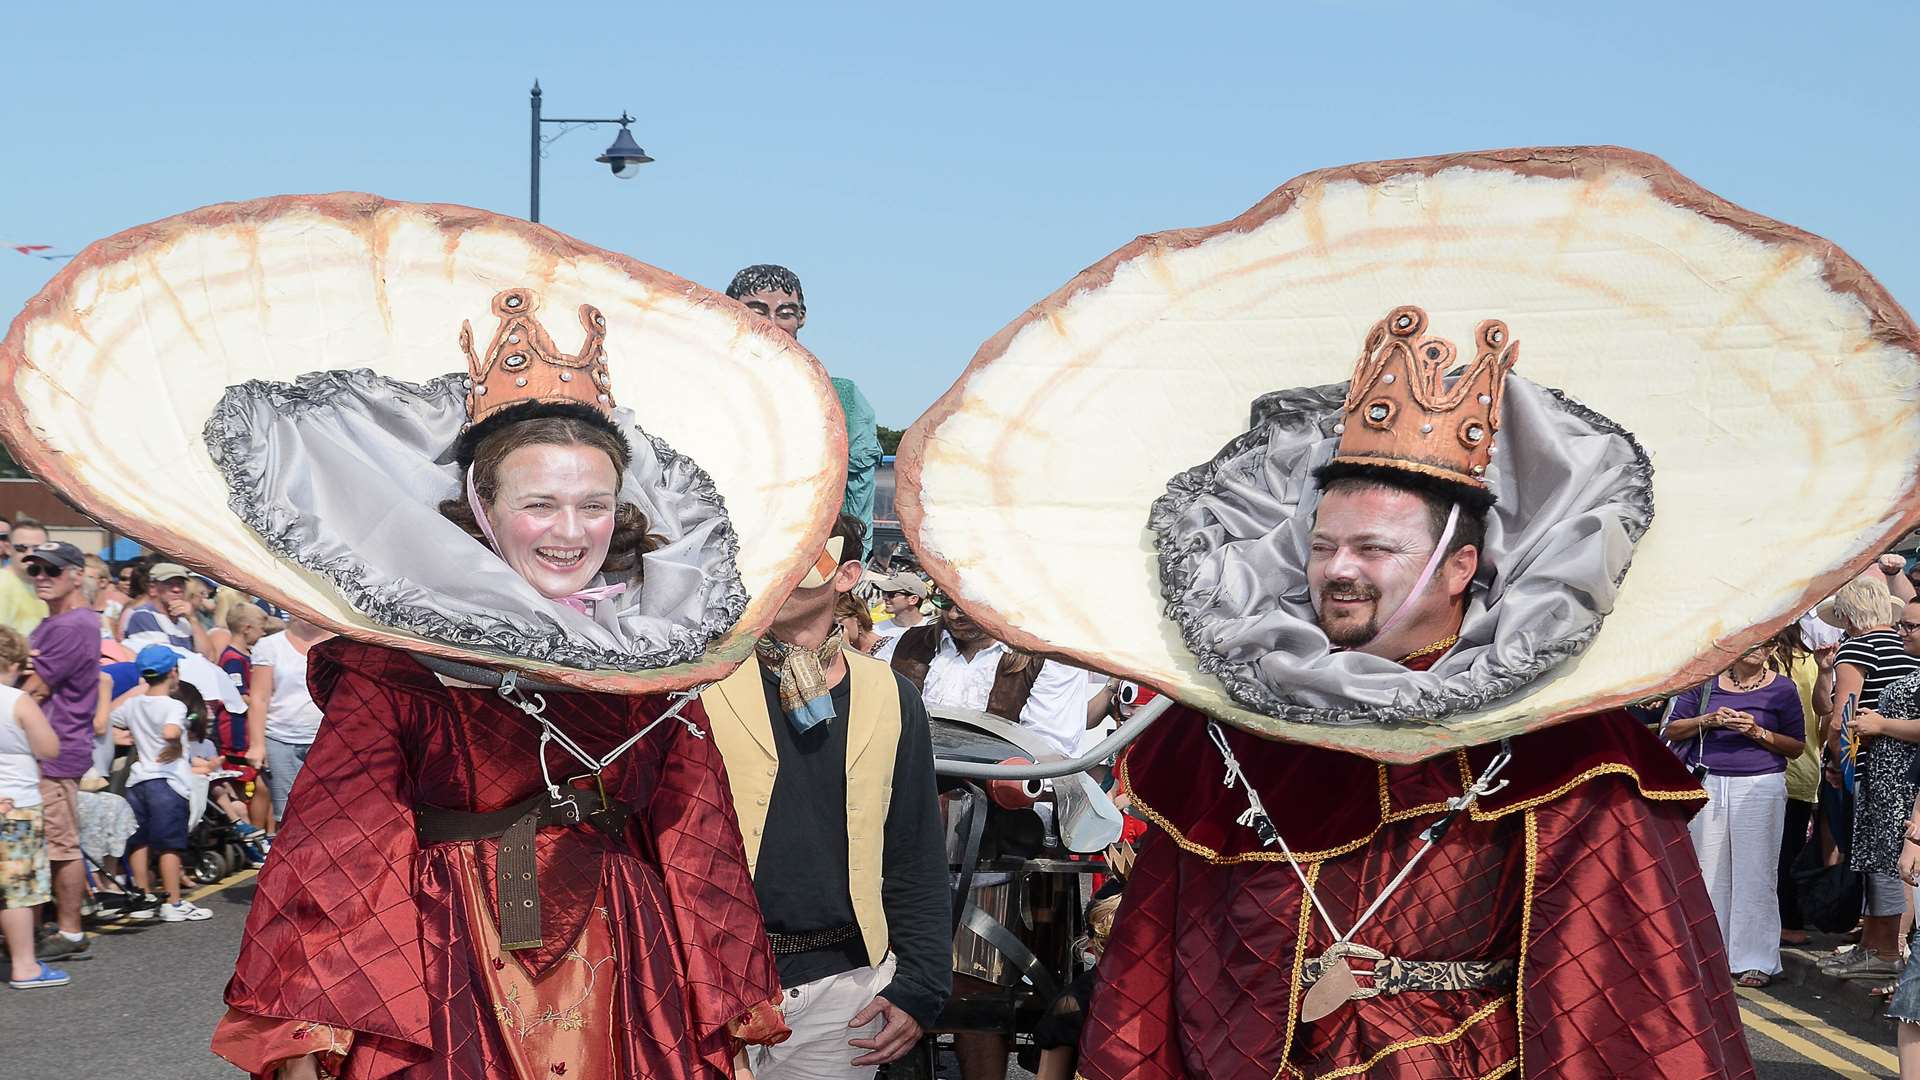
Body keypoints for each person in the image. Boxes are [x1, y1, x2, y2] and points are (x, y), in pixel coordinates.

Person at [702, 516, 951, 1078]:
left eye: (806, 553)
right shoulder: (699, 679)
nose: (784, 568)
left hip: (845, 989)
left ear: (847, 575)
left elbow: (913, 847)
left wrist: (920, 985)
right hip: (707, 975)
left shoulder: (892, 694)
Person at [1662, 633, 1806, 986]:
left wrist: (1757, 732)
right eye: (1755, 642)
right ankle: (1710, 955)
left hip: (1760, 785)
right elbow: (1672, 728)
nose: (1762, 650)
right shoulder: (1704, 682)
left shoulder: (1783, 689)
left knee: (1756, 873)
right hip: (1710, 782)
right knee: (1707, 871)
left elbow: (1796, 746)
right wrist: (1708, 720)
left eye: (1769, 645)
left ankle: (1756, 960)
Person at [726, 264, 884, 533]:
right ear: (727, 310)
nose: (771, 324)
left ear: (802, 317)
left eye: (785, 313)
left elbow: (858, 499)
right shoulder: (706, 390)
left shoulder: (843, 399)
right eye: (757, 311)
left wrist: (850, 560)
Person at [1821, 573, 1919, 980]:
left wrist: (1837, 764)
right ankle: (1875, 946)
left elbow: (1842, 716)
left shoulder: (1858, 646)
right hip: (1907, 768)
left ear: (1847, 614)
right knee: (1886, 855)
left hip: (1876, 765)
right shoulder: (1906, 652)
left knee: (1879, 858)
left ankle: (1884, 950)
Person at [20, 541, 103, 964]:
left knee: (58, 845)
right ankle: (37, 928)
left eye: (51, 570)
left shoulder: (71, 625)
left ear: (75, 574)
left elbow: (34, 688)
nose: (41, 577)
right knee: (38, 844)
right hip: (43, 748)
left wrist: (19, 672)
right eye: (34, 569)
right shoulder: (59, 623)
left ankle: (70, 931)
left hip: (53, 749)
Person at [890, 594, 1086, 758]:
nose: (952, 614)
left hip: (1002, 795)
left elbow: (1047, 752)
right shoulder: (907, 642)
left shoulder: (1050, 658)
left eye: (969, 603)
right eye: (945, 601)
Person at [112, 644, 213, 922]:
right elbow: (170, 731)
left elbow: (110, 720)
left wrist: (124, 735)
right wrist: (174, 744)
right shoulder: (174, 705)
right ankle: (173, 901)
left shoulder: (132, 704)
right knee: (170, 845)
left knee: (139, 841)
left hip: (138, 781)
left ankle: (144, 898)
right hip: (167, 782)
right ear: (173, 672)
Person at [0, 625, 68, 989]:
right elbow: (48, 749)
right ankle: (24, 965)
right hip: (17, 805)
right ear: (14, 662)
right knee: (17, 889)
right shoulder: (16, 701)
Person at [242, 617, 333, 825]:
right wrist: (257, 746)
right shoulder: (270, 646)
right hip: (281, 739)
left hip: (327, 741)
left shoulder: (339, 643)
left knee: (326, 811)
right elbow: (259, 698)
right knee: (286, 814)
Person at [121, 562, 211, 656]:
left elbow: (209, 657)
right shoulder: (143, 616)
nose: (176, 589)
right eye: (169, 584)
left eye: (180, 584)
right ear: (152, 588)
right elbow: (163, 658)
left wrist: (193, 619)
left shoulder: (185, 620)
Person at [0, 518, 50, 635]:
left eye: (37, 549)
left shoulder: (44, 585)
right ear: (8, 549)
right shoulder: (2, 584)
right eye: (21, 548)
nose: (30, 554)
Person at [870, 573, 929, 653]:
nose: (884, 597)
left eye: (891, 594)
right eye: (884, 593)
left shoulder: (931, 631)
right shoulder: (875, 629)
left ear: (913, 599)